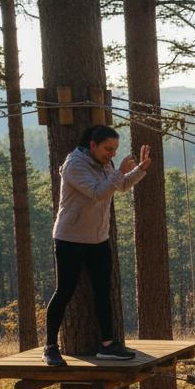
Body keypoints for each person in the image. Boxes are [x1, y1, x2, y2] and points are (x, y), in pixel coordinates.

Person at [42, 126, 151, 366]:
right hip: (70, 238)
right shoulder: (74, 165)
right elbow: (96, 193)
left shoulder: (105, 164)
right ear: (92, 145)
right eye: (107, 149)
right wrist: (118, 172)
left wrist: (139, 170)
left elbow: (119, 186)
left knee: (103, 292)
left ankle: (107, 345)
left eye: (114, 150)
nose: (111, 154)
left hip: (98, 239)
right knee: (65, 291)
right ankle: (50, 346)